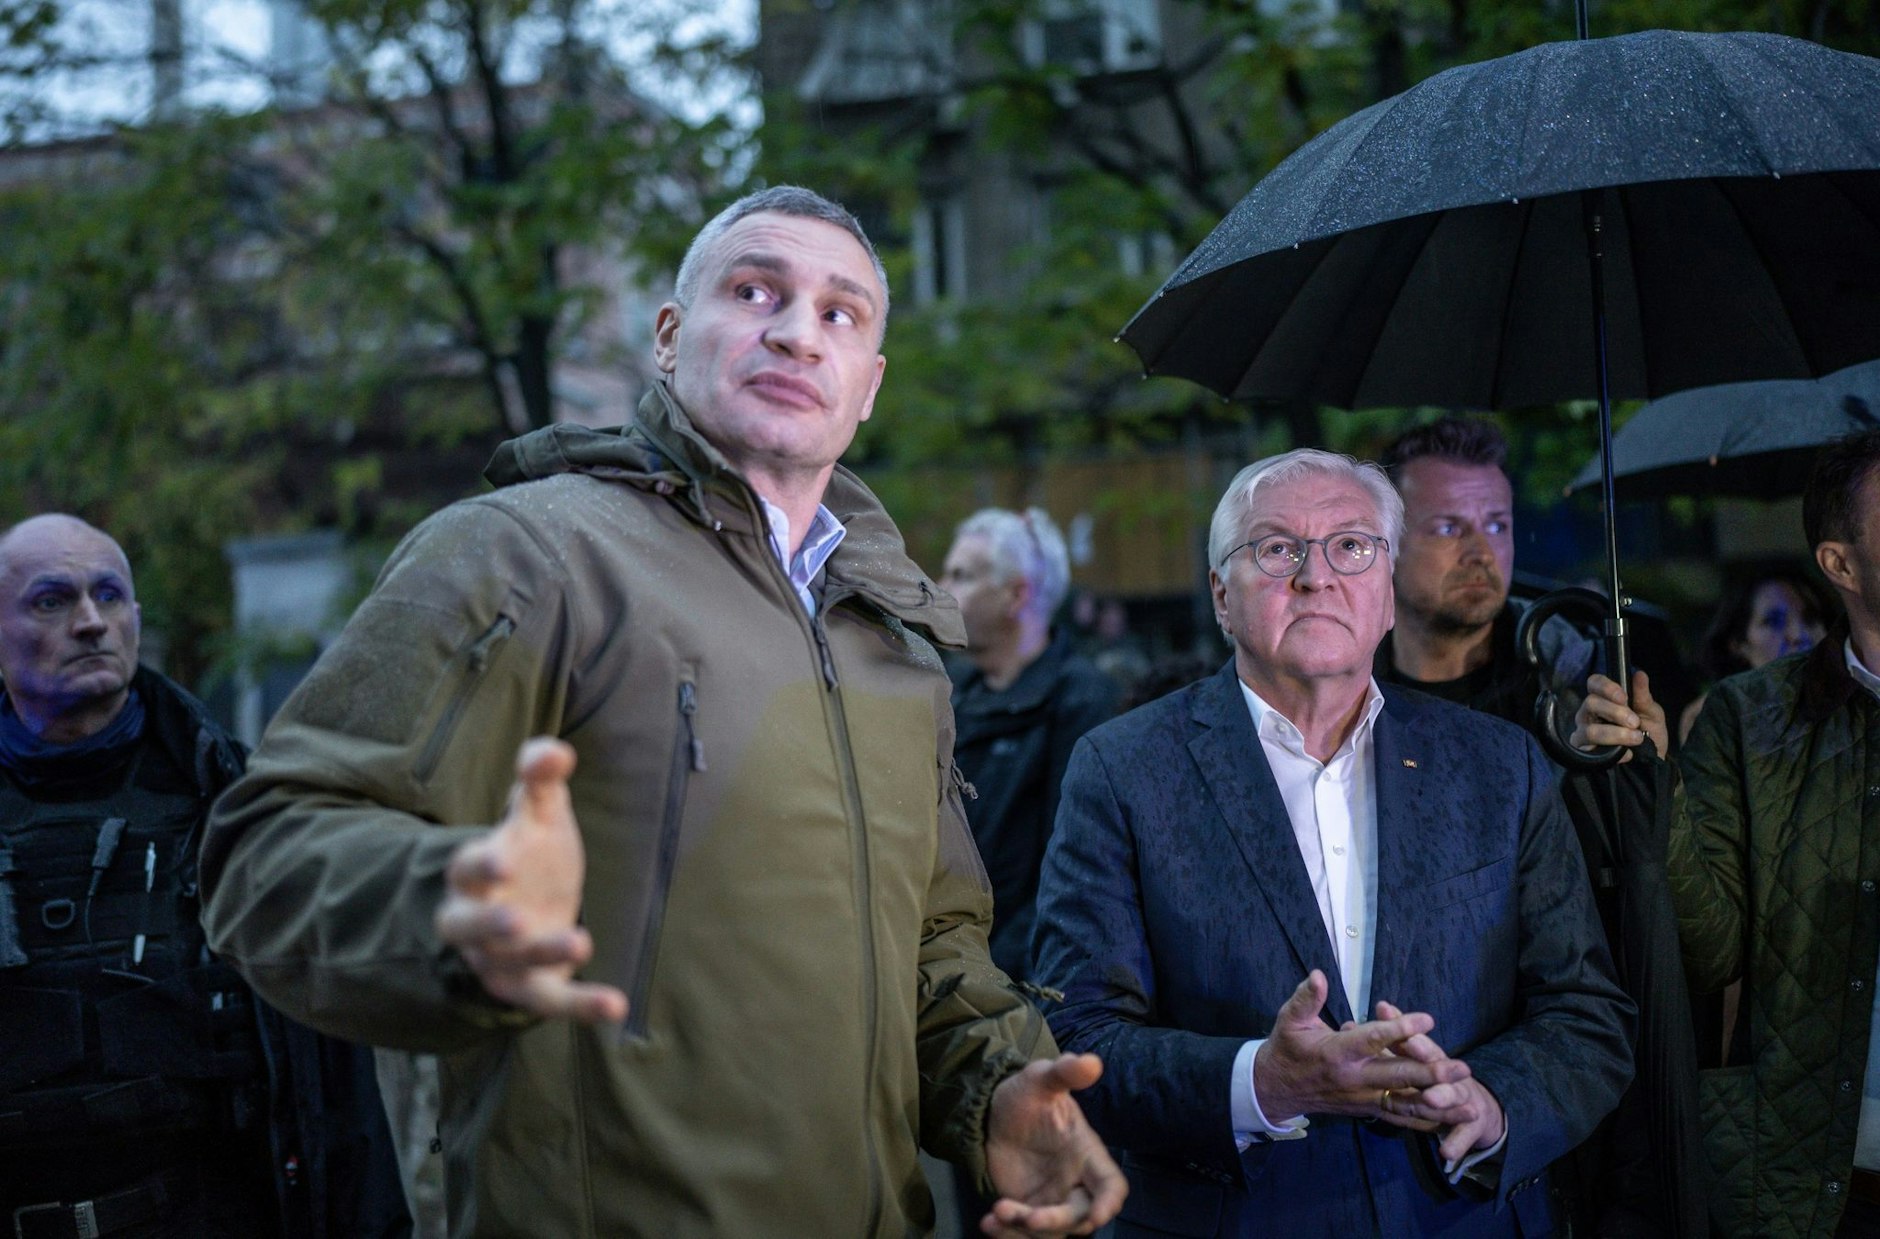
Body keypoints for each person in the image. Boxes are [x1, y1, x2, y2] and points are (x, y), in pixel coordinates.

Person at [200, 186, 1125, 1238]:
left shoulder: (895, 637)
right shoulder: (526, 552)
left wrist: (996, 1087)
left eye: (839, 313)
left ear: (866, 386)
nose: (794, 329)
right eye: (754, 289)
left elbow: (934, 944)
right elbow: (264, 854)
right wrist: (443, 918)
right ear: (670, 337)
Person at [1031, 449, 1633, 1237]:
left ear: (1386, 592)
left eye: (1351, 545)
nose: (1316, 575)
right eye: (1277, 548)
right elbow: (1077, 1036)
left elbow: (1587, 1013)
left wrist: (1491, 1102)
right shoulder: (1121, 769)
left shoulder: (1501, 764)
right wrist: (1265, 1082)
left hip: (1457, 1215)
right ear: (1221, 594)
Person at [0, 514, 407, 1238]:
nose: (91, 622)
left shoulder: (236, 803)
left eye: (110, 595)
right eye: (51, 600)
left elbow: (334, 1086)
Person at [1577, 427, 1880, 1237]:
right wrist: (1655, 781)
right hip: (1813, 1170)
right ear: (1841, 564)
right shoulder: (1750, 717)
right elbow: (1711, 953)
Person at [939, 506, 1117, 980]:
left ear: (1016, 594)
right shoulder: (945, 694)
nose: (942, 590)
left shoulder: (1082, 702)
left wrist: (988, 978)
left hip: (1011, 981)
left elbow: (1067, 874)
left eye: (962, 576)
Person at [1373, 416, 1595, 740]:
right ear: (1385, 543)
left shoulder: (1571, 673)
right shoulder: (1342, 677)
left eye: (1496, 527)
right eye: (1448, 529)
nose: (1482, 553)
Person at [1679, 563, 1834, 742]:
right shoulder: (1715, 716)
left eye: (1811, 618)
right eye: (1775, 622)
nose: (1799, 635)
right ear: (1738, 644)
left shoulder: (1856, 708)